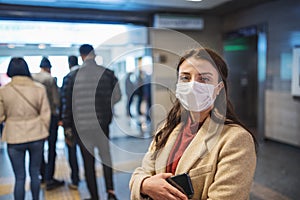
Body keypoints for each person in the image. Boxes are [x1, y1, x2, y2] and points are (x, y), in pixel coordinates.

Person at [129, 47, 257, 200]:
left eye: (204, 79)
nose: (193, 85)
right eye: (185, 77)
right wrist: (145, 185)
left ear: (219, 89)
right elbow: (142, 172)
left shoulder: (235, 140)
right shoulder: (167, 128)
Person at [61, 44, 121, 200]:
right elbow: (118, 96)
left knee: (88, 163)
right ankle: (111, 192)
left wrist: (67, 129)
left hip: (81, 128)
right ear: (94, 54)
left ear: (81, 56)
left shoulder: (71, 77)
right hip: (102, 125)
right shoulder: (108, 74)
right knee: (106, 158)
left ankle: (94, 196)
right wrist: (106, 106)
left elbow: (67, 106)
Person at [0, 57, 50, 200]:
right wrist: (43, 129)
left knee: (19, 177)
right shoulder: (39, 89)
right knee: (35, 173)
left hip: (14, 137)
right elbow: (45, 114)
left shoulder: (3, 91)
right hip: (36, 135)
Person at [32, 57, 64, 190]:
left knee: (39, 148)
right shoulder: (50, 79)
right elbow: (56, 101)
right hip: (50, 117)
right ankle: (49, 178)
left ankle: (43, 174)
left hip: (36, 117)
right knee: (51, 149)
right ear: (49, 68)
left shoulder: (32, 78)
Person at [60, 55, 80, 190]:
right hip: (88, 124)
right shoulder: (87, 77)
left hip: (73, 123)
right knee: (87, 155)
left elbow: (66, 103)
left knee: (72, 151)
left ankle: (75, 179)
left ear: (68, 64)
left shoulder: (68, 78)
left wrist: (66, 124)